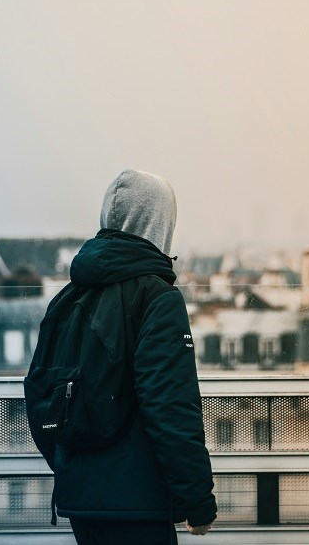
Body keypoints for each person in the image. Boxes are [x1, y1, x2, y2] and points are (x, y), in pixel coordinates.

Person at [52, 169, 216, 544]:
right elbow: (171, 405)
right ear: (160, 226)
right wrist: (197, 500)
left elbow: (42, 394)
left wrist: (73, 471)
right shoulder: (157, 297)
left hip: (81, 501)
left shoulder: (69, 296)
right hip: (136, 501)